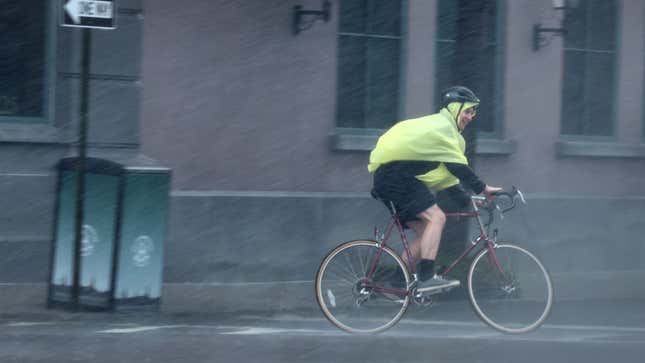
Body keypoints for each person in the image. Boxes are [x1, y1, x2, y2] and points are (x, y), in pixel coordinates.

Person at [368, 86, 503, 293]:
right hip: (396, 176)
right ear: (455, 108)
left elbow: (448, 175)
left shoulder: (446, 133)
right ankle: (426, 277)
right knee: (437, 218)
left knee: (425, 236)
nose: (470, 117)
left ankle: (395, 283)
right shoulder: (443, 128)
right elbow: (458, 166)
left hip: (392, 177)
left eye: (473, 113)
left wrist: (469, 201)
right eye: (467, 111)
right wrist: (483, 188)